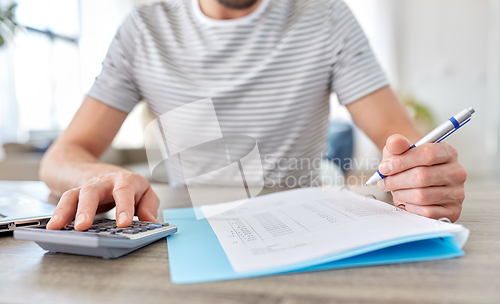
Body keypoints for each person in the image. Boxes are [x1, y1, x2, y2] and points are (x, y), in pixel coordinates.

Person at [42, 0, 467, 231]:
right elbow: (62, 156)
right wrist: (103, 177)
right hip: (185, 231)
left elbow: (406, 147)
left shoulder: (326, 16)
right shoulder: (143, 29)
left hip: (304, 231)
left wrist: (422, 177)